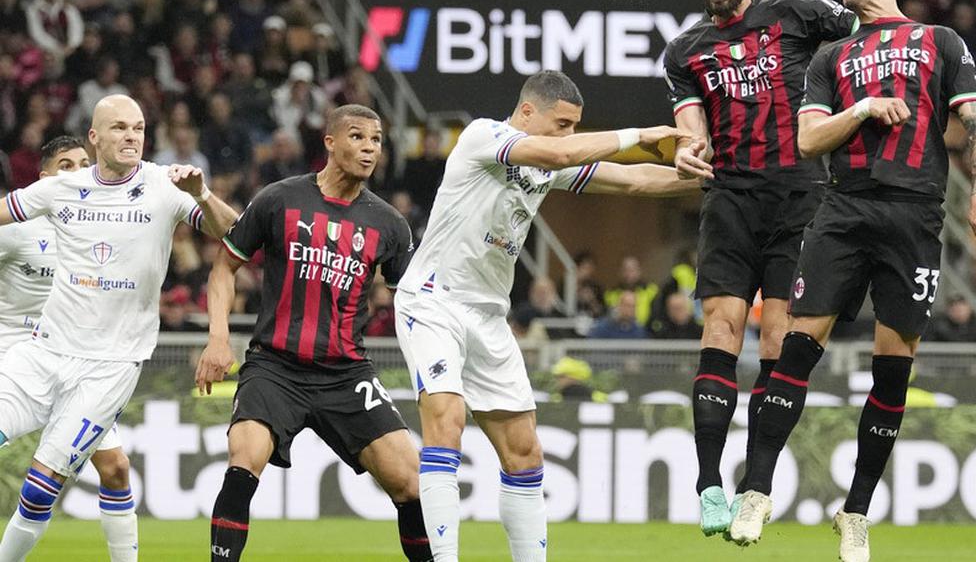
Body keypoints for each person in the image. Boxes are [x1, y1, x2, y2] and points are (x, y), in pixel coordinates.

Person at [728, 0, 976, 561]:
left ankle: (855, 512)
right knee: (798, 346)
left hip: (915, 216)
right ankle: (757, 488)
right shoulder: (831, 56)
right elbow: (810, 138)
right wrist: (866, 108)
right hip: (843, 209)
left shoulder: (940, 42)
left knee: (893, 367)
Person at [394, 70, 699, 562]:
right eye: (563, 124)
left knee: (524, 452)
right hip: (435, 301)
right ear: (528, 112)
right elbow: (562, 154)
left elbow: (636, 181)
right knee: (447, 423)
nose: (570, 137)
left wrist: (712, 177)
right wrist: (641, 135)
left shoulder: (550, 163)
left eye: (575, 127)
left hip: (489, 316)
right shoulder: (483, 137)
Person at [663, 0, 860, 535]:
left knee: (777, 338)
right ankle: (707, 485)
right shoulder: (685, 51)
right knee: (720, 326)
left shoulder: (800, 15)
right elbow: (692, 125)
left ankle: (760, 484)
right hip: (729, 199)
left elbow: (868, 33)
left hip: (799, 195)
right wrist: (688, 149)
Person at [0, 95, 236, 561]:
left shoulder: (164, 186)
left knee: (45, 483)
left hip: (108, 368)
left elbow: (236, 233)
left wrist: (202, 195)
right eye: (120, 128)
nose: (131, 137)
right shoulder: (62, 188)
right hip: (42, 351)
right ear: (95, 136)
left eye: (139, 129)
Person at [194, 105, 431, 562]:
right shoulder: (279, 199)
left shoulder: (389, 224)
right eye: (358, 137)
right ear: (330, 142)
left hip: (345, 374)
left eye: (377, 140)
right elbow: (224, 268)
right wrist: (218, 337)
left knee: (410, 480)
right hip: (275, 367)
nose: (369, 149)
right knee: (244, 457)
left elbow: (415, 301)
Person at [0, 136, 139, 561]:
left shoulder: (106, 229)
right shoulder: (16, 228)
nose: (78, 171)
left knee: (115, 470)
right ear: (43, 179)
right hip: (16, 359)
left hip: (78, 367)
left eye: (84, 163)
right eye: (65, 164)